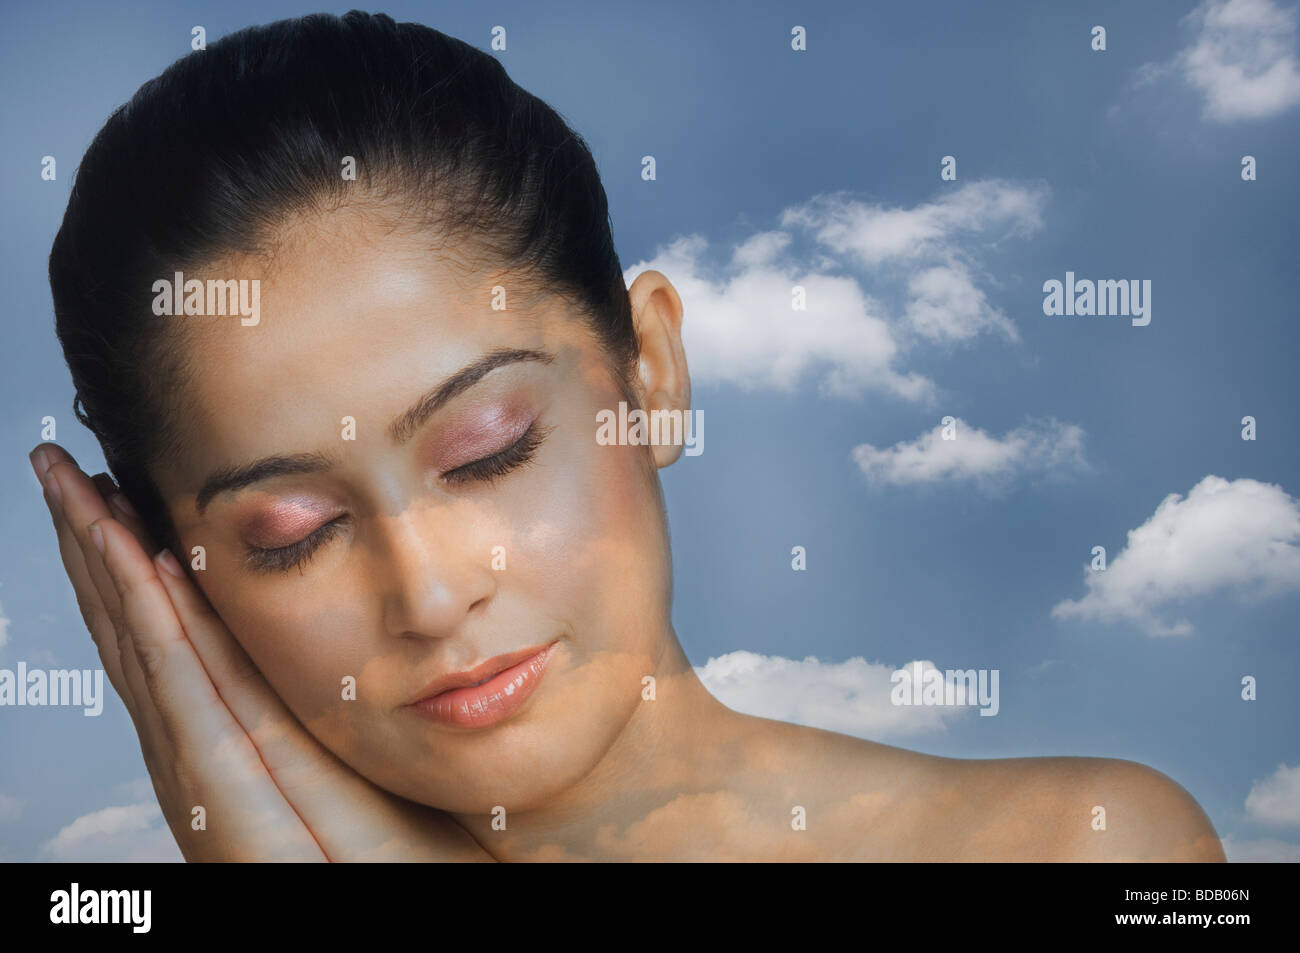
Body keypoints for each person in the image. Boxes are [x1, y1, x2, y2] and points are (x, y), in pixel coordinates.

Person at [32, 10, 1225, 861]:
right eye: (293, 532)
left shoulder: (1088, 846)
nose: (433, 594)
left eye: (490, 448)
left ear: (649, 369)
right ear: (160, 571)